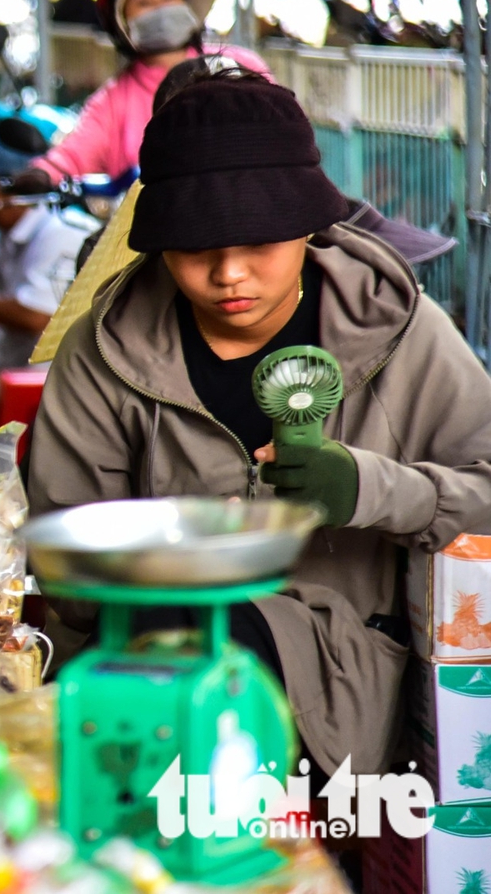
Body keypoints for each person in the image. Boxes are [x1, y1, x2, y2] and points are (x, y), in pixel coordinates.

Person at [28, 65, 491, 777]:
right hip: (151, 661)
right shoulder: (108, 350)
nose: (230, 275)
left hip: (345, 677)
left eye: (261, 246)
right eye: (196, 250)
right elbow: (67, 572)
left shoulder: (398, 330)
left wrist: (373, 489)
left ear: (308, 224)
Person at [26, 0, 271, 185]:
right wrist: (42, 174)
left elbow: (284, 123)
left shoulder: (240, 65)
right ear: (122, 24)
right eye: (144, 2)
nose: (160, 8)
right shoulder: (112, 102)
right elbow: (72, 156)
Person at [0, 175, 89, 450]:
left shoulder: (57, 233)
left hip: (52, 371)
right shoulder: (12, 236)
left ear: (7, 198)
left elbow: (35, 317)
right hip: (14, 360)